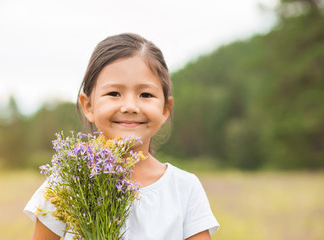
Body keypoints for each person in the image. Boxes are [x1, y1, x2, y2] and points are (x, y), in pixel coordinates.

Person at [24, 33, 219, 240]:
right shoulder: (69, 183)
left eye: (146, 95)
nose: (130, 107)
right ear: (88, 105)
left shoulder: (184, 189)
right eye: (114, 93)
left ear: (165, 109)